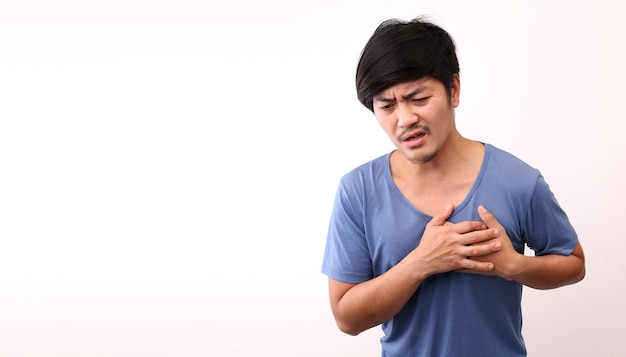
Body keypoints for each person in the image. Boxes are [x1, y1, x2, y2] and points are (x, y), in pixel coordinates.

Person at [321, 16, 585, 357]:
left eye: (418, 98)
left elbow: (574, 263)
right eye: (386, 106)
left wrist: (515, 266)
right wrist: (422, 262)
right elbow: (346, 317)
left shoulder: (519, 180)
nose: (404, 119)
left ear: (454, 90)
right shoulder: (357, 191)